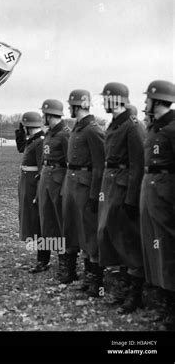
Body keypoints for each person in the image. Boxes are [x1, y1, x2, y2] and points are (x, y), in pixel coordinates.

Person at [98, 82, 145, 314]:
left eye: (106, 98)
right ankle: (121, 287)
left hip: (124, 186)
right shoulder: (114, 125)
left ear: (116, 99)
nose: (102, 102)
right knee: (112, 235)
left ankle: (134, 295)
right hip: (111, 184)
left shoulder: (132, 126)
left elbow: (139, 164)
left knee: (128, 240)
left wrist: (132, 198)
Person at [61, 90, 105, 294]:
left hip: (86, 187)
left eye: (71, 105)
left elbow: (99, 166)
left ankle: (95, 280)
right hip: (72, 184)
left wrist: (95, 194)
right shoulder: (78, 129)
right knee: (76, 230)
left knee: (89, 233)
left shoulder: (92, 131)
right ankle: (87, 277)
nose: (69, 108)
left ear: (76, 106)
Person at [140, 80, 175, 330]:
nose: (145, 103)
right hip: (151, 189)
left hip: (166, 193)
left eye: (147, 99)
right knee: (156, 246)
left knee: (169, 249)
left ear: (157, 100)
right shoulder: (154, 127)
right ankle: (162, 306)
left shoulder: (172, 128)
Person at [36, 99, 70, 282]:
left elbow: (70, 163)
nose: (42, 117)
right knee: (46, 221)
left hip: (58, 181)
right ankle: (44, 260)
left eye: (44, 114)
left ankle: (65, 263)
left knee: (60, 222)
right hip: (46, 179)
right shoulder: (49, 134)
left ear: (51, 115)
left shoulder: (65, 135)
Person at [15, 112, 47, 273]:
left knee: (38, 222)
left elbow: (42, 169)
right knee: (32, 220)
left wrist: (38, 193)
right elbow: (21, 148)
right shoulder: (33, 140)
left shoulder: (40, 142)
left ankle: (43, 260)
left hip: (34, 185)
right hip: (27, 184)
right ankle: (40, 258)